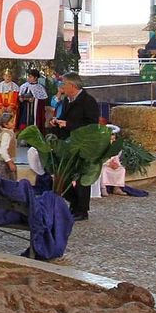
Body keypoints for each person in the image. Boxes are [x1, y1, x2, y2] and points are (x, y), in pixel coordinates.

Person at [49, 72, 101, 220]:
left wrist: (68, 124)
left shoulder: (88, 101)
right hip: (67, 144)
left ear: (72, 85)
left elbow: (92, 124)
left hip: (83, 144)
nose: (61, 87)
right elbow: (64, 119)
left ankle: (82, 210)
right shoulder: (67, 100)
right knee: (63, 177)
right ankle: (74, 203)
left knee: (81, 179)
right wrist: (57, 122)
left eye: (63, 84)